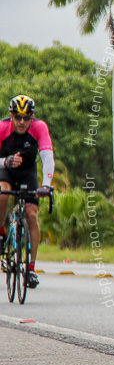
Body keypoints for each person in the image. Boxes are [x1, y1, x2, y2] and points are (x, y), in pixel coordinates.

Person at [0, 95, 55, 289]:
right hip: (5, 168)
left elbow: (47, 157)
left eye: (26, 117)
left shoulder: (39, 127)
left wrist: (46, 185)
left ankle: (30, 269)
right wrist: (5, 161)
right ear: (11, 116)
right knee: (3, 192)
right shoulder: (2, 128)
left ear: (32, 117)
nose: (22, 122)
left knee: (31, 215)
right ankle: (1, 231)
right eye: (18, 117)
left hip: (28, 172)